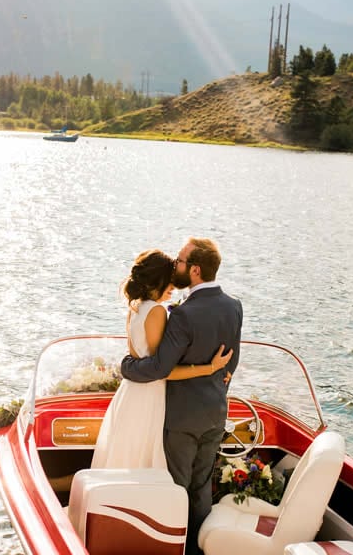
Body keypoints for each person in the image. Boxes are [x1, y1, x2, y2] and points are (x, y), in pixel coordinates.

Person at [121, 238, 243, 555]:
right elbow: (232, 361)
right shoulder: (234, 306)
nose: (176, 265)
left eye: (180, 261)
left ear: (195, 269)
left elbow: (160, 367)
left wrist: (127, 368)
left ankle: (173, 547)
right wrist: (217, 389)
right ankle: (201, 547)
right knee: (201, 485)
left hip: (181, 418)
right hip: (216, 412)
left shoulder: (182, 315)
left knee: (176, 486)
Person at [92, 249, 232, 470]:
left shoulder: (135, 307)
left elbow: (135, 356)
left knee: (126, 456)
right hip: (149, 394)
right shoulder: (156, 311)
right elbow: (163, 369)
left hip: (130, 392)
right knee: (143, 459)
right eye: (170, 281)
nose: (173, 287)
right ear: (158, 280)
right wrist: (210, 368)